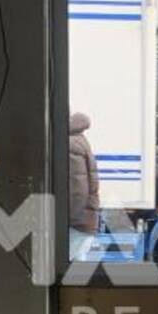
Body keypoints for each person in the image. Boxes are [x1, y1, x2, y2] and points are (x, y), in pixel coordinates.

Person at [66, 110, 100, 260]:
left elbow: (76, 190)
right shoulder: (80, 140)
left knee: (69, 264)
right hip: (85, 218)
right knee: (78, 263)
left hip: (77, 221)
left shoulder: (71, 144)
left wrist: (67, 219)